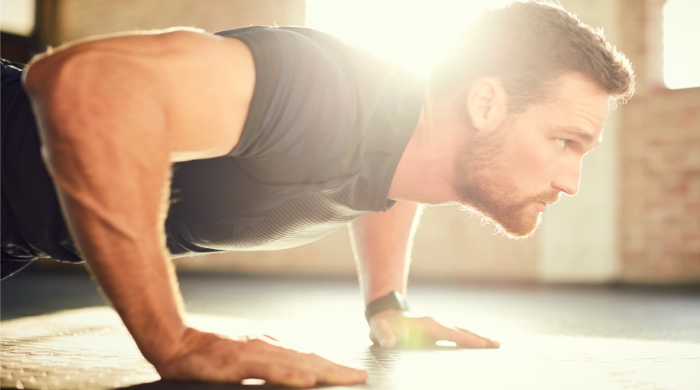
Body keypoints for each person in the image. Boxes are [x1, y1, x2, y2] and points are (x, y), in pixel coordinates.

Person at [0, 1, 634, 387]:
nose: (570, 180)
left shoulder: (412, 136)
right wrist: (174, 340)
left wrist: (387, 305)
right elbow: (82, 84)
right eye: (565, 142)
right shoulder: (325, 92)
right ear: (487, 102)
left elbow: (398, 183)